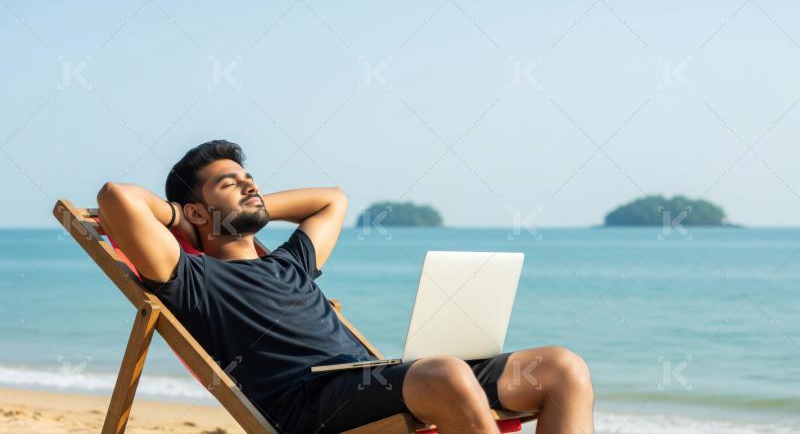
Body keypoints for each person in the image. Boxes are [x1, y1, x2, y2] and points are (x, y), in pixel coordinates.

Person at [96, 139, 594, 433]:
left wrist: (248, 203)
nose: (252, 186)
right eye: (232, 182)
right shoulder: (191, 277)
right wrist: (182, 218)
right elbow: (117, 197)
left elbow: (332, 199)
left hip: (368, 380)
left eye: (252, 179)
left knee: (560, 368)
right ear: (197, 211)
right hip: (308, 405)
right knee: (441, 372)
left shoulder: (291, 262)